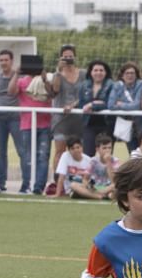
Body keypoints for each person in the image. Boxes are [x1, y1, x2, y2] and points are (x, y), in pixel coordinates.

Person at [9, 64, 52, 194]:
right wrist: (16, 73)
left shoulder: (47, 79)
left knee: (43, 156)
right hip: (27, 125)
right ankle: (26, 184)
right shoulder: (22, 81)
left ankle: (38, 187)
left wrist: (44, 79)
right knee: (27, 157)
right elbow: (11, 91)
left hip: (45, 124)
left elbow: (52, 94)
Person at [0, 50, 25, 193]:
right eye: (1, 60)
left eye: (6, 60)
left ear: (12, 61)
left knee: (21, 151)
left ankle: (26, 183)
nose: (3, 62)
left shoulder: (20, 77)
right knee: (1, 151)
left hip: (16, 118)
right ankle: (1, 183)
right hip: (0, 119)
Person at [48, 44, 86, 173]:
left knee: (79, 152)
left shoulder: (83, 74)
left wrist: (73, 105)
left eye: (70, 56)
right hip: (61, 119)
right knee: (59, 152)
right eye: (65, 57)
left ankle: (78, 180)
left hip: (78, 119)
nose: (68, 59)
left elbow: (86, 94)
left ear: (75, 57)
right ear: (61, 58)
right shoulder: (57, 75)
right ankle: (56, 181)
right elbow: (55, 90)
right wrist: (59, 71)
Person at [107, 62, 142, 155]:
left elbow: (137, 105)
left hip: (141, 123)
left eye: (132, 73)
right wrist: (129, 105)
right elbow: (111, 105)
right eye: (127, 73)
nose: (130, 75)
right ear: (122, 75)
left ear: (136, 75)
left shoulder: (141, 85)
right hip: (126, 123)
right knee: (132, 152)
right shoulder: (117, 86)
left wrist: (121, 104)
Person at [78, 60, 114, 156]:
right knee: (87, 154)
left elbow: (110, 104)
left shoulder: (111, 85)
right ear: (91, 72)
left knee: (106, 154)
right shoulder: (84, 85)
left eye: (101, 70)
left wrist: (92, 105)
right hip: (89, 124)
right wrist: (97, 103)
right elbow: (81, 104)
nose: (98, 73)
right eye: (96, 70)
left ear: (106, 72)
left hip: (106, 124)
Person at [53, 135, 104, 200]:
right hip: (71, 189)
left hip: (85, 186)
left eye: (78, 147)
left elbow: (93, 179)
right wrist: (57, 194)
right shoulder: (65, 156)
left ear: (82, 148)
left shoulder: (88, 160)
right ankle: (97, 196)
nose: (76, 150)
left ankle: (88, 195)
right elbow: (61, 176)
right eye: (73, 148)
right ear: (69, 150)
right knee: (73, 185)